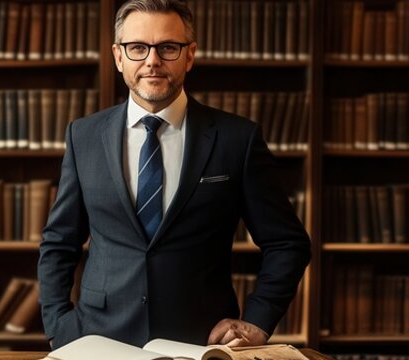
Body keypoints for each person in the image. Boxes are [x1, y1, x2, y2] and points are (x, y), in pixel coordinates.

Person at [37, 0, 311, 350]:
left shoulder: (236, 139)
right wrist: (59, 327)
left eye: (168, 47)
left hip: (202, 342)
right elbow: (59, 242)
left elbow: (288, 243)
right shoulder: (84, 136)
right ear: (119, 57)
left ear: (190, 55)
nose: (152, 61)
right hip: (97, 340)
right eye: (137, 48)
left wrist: (258, 320)